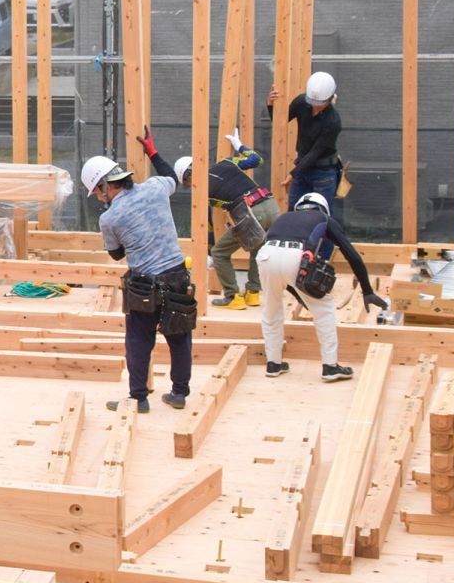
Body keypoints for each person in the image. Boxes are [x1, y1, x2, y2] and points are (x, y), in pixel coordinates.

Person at [83, 127, 195, 414]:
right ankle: (179, 393)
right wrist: (153, 152)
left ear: (106, 186)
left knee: (138, 341)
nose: (97, 197)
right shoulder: (156, 188)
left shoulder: (110, 218)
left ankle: (138, 398)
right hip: (176, 276)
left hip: (144, 285)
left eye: (96, 191)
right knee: (179, 335)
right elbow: (172, 176)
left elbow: (117, 254)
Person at [255, 193, 388, 381]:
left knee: (271, 311)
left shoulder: (284, 218)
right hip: (295, 254)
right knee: (324, 310)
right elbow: (353, 256)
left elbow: (280, 267)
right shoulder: (324, 219)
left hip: (266, 255)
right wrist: (367, 290)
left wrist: (300, 293)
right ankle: (330, 366)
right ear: (323, 208)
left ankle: (274, 364)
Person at [173, 128, 280, 311]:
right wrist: (239, 146)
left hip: (252, 214)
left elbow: (207, 224)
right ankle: (253, 294)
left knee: (220, 253)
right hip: (271, 206)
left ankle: (232, 297)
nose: (190, 187)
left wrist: (209, 252)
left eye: (187, 183)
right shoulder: (227, 163)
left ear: (187, 176)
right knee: (258, 247)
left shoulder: (202, 191)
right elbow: (257, 159)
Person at [268, 71, 342, 211]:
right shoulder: (302, 102)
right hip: (302, 167)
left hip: (323, 172)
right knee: (294, 210)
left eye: (320, 103)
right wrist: (271, 104)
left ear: (330, 98)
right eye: (313, 102)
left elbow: (315, 153)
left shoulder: (333, 122)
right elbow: (280, 122)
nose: (316, 106)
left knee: (321, 215)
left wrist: (293, 173)